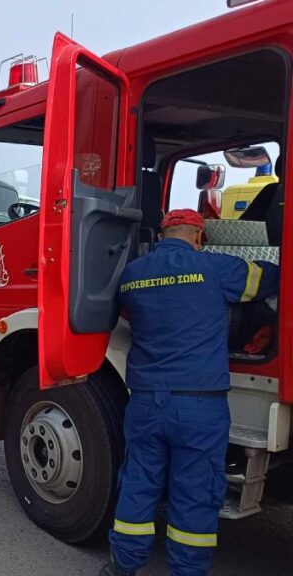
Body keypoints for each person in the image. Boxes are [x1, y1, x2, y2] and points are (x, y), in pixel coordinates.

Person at [103, 209, 279, 576]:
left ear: (162, 235)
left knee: (138, 482)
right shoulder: (216, 269)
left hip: (146, 401)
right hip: (200, 405)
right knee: (194, 494)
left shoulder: (132, 274)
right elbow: (269, 278)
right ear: (199, 237)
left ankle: (123, 566)